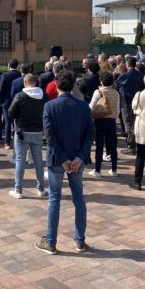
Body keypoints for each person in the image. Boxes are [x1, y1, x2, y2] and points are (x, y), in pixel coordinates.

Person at [36, 70, 93, 255]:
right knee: (78, 198)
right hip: (75, 158)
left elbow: (49, 136)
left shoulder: (50, 106)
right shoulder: (83, 106)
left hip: (57, 159)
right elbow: (89, 134)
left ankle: (51, 241)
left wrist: (64, 159)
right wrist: (78, 157)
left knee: (54, 198)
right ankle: (80, 240)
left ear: (56, 84)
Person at [8, 73, 49, 199]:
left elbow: (11, 112)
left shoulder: (20, 96)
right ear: (35, 82)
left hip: (22, 132)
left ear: (25, 83)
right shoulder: (44, 96)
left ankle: (18, 189)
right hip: (37, 132)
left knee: (20, 160)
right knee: (38, 161)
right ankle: (41, 189)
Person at [88, 71, 120, 178]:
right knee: (112, 146)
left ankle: (98, 170)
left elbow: (91, 107)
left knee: (99, 146)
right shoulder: (116, 93)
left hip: (100, 121)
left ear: (101, 81)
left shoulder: (98, 92)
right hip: (112, 121)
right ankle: (114, 169)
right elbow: (118, 109)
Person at [116, 57, 144, 155]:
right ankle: (137, 144)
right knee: (136, 122)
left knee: (128, 122)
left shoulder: (124, 75)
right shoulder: (141, 75)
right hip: (139, 101)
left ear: (127, 64)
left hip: (126, 102)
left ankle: (131, 146)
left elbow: (116, 86)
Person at [0, 59, 21, 148]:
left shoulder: (4, 75)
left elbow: (1, 90)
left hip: (7, 102)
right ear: (17, 66)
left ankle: (7, 143)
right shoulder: (19, 74)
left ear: (8, 65)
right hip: (18, 101)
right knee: (17, 122)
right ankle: (17, 141)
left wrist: (1, 102)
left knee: (8, 122)